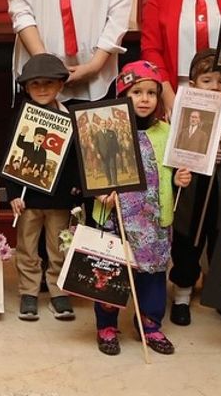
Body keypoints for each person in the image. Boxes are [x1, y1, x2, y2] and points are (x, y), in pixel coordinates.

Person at [92, 61, 191, 357]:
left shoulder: (167, 132)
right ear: (124, 94)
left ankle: (149, 324)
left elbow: (173, 168)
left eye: (151, 92)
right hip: (117, 217)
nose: (145, 98)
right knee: (109, 274)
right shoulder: (108, 129)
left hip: (153, 219)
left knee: (153, 276)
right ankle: (107, 324)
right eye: (137, 92)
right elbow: (94, 167)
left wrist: (178, 177)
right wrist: (100, 192)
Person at [168, 48, 221, 329]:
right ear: (193, 85)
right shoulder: (182, 108)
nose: (215, 86)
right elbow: (172, 150)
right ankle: (182, 294)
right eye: (207, 80)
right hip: (192, 188)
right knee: (187, 242)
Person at [8, 53, 80, 322]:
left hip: (60, 199)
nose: (41, 89)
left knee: (59, 247)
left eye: (48, 83)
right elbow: (11, 157)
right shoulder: (21, 119)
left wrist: (76, 191)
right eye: (35, 84)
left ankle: (59, 292)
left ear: (61, 85)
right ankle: (28, 292)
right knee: (27, 246)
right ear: (26, 87)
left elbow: (77, 160)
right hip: (28, 200)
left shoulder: (71, 118)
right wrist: (14, 194)